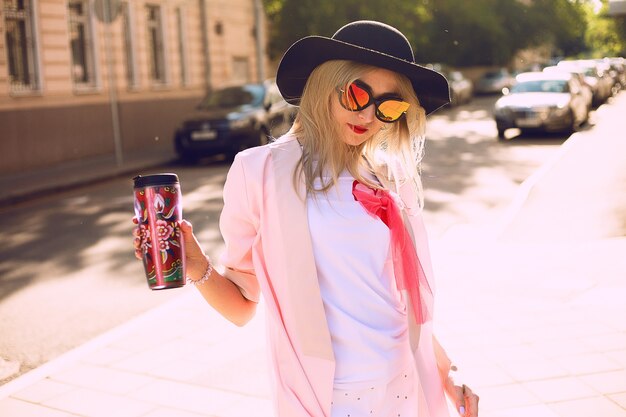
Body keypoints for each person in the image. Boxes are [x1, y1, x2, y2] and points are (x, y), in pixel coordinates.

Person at [135, 20, 479, 417]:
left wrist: (445, 371)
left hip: (404, 383)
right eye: (356, 93)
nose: (369, 114)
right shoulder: (259, 171)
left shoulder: (389, 177)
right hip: (329, 397)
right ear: (325, 85)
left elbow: (400, 301)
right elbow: (243, 306)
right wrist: (196, 267)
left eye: (389, 105)